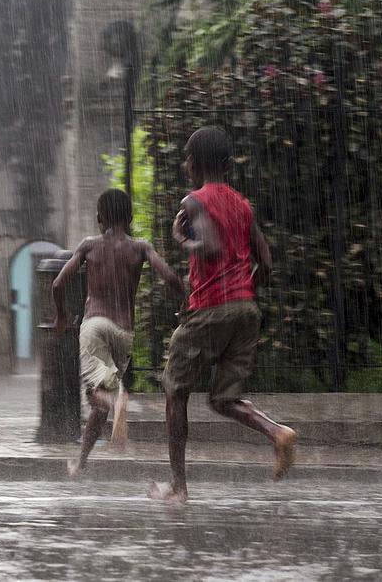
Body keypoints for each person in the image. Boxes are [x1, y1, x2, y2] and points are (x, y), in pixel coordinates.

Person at [148, 126, 297, 504]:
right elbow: (265, 261)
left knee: (175, 391)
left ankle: (178, 487)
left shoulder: (194, 201)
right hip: (245, 309)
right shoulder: (242, 205)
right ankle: (277, 432)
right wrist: (242, 295)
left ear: (193, 164)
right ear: (228, 165)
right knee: (222, 399)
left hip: (210, 308)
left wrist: (181, 239)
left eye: (186, 158)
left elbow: (210, 248)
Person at [53, 188, 185, 478]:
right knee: (99, 407)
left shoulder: (89, 245)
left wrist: (62, 315)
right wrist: (183, 306)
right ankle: (80, 463)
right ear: (131, 217)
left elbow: (58, 284)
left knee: (99, 398)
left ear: (100, 219)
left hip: (94, 325)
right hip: (124, 333)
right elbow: (172, 278)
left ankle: (117, 401)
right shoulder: (141, 247)